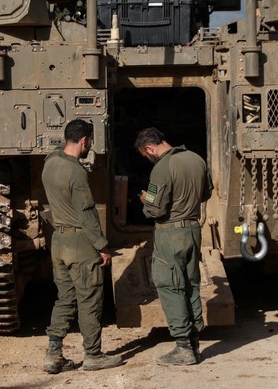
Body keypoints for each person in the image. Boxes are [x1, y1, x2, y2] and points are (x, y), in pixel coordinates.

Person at [41, 119, 123, 373]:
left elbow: (56, 153)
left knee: (65, 298)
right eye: (90, 142)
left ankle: (54, 353)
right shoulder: (76, 173)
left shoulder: (50, 164)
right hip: (79, 244)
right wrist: (102, 246)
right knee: (89, 299)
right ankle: (93, 355)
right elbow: (87, 213)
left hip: (59, 242)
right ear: (85, 141)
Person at [135, 127, 213, 365]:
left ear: (150, 148)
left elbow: (155, 209)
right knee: (191, 284)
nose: (147, 159)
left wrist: (144, 199)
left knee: (170, 285)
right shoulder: (196, 159)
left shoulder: (161, 168)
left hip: (170, 233)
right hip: (192, 229)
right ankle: (194, 341)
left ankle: (182, 347)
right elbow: (206, 193)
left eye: (145, 155)